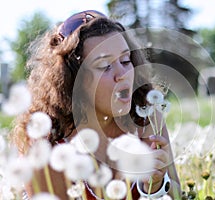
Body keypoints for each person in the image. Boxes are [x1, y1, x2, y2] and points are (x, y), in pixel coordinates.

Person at [11, 10, 181, 199]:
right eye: (105, 66)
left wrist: (155, 186)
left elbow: (177, 193)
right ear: (73, 79)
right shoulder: (46, 145)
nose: (122, 74)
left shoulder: (147, 119)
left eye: (125, 60)